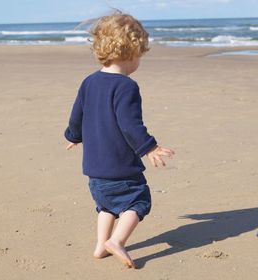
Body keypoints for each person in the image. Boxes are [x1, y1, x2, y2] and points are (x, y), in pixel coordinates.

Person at [64, 10, 175, 269]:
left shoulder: (89, 82)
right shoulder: (126, 86)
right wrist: (150, 147)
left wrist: (73, 136)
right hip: (121, 168)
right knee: (138, 201)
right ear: (131, 52)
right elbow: (130, 124)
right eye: (141, 55)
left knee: (106, 206)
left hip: (95, 171)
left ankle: (101, 245)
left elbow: (76, 115)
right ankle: (117, 241)